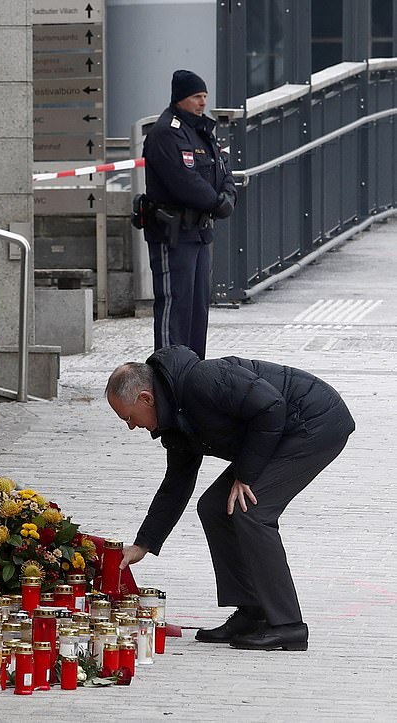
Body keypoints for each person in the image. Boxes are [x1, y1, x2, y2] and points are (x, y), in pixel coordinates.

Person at [105, 346, 355, 651]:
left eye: (129, 417)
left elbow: (271, 406)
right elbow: (176, 483)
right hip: (279, 431)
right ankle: (252, 612)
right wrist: (143, 544)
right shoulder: (174, 418)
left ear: (146, 398)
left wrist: (246, 475)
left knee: (251, 510)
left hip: (315, 421)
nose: (132, 426)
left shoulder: (203, 381)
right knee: (213, 507)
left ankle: (288, 625)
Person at [141, 70, 237, 358]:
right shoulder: (165, 133)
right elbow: (184, 180)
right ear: (181, 99)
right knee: (176, 307)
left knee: (197, 310)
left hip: (199, 233)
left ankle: (193, 376)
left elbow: (222, 169)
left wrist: (228, 196)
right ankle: (170, 375)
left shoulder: (201, 131)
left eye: (205, 96)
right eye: (197, 97)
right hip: (173, 235)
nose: (203, 102)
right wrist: (216, 202)